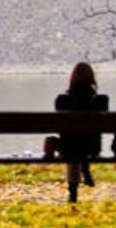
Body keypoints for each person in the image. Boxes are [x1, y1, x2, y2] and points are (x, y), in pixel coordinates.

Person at [43, 61, 109, 203]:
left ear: (72, 78)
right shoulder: (102, 100)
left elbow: (59, 128)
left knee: (71, 144)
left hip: (69, 147)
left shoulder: (61, 100)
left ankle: (73, 192)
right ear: (92, 78)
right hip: (92, 147)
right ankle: (85, 169)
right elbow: (102, 127)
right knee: (81, 142)